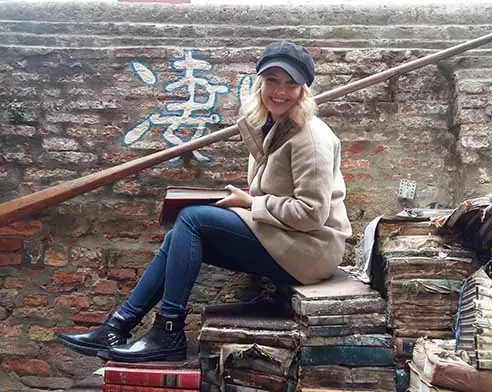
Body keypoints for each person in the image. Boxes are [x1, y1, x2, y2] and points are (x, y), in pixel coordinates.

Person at [57, 40, 353, 363]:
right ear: (260, 83)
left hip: (311, 251)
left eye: (291, 84)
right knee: (180, 234)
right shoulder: (274, 126)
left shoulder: (311, 137)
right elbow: (280, 195)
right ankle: (118, 326)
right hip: (289, 238)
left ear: (303, 91)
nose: (280, 91)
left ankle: (168, 332)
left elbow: (311, 213)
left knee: (193, 220)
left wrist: (252, 203)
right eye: (272, 81)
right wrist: (250, 201)